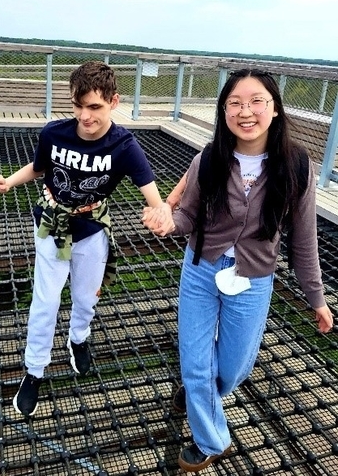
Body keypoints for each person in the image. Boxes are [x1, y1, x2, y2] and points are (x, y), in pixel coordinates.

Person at [143, 68, 334, 473]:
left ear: (276, 108)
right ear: (224, 110)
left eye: (256, 101)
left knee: (233, 367)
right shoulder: (208, 158)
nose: (245, 112)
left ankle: (198, 394)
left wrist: (316, 298)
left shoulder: (297, 165)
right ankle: (213, 440)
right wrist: (167, 223)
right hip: (200, 269)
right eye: (235, 103)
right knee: (195, 362)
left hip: (253, 278)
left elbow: (303, 239)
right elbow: (188, 216)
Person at [0, 60, 169, 418]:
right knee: (46, 301)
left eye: (95, 107)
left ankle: (79, 338)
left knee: (86, 297)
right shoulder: (54, 134)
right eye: (78, 105)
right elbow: (38, 169)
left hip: (91, 229)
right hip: (52, 226)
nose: (85, 116)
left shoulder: (125, 146)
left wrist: (160, 212)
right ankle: (34, 370)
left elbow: (153, 195)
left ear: (114, 101)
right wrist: (8, 180)